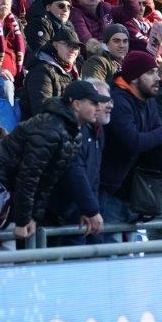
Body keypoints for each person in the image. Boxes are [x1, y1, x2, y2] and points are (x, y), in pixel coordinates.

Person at [0, 79, 106, 241]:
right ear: (77, 105)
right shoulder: (49, 129)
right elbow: (28, 177)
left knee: (1, 255)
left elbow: (46, 182)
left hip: (4, 190)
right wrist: (23, 220)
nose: (99, 107)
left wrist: (33, 217)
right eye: (94, 103)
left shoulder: (72, 133)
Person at [100, 51, 162, 233]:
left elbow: (158, 149)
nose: (157, 78)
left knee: (128, 255)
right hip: (111, 191)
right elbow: (133, 142)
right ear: (135, 78)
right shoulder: (118, 102)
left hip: (135, 191)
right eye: (151, 72)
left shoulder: (149, 100)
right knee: (110, 254)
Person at [44, 78, 112, 244]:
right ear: (77, 104)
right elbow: (73, 171)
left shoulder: (97, 131)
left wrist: (88, 209)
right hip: (56, 216)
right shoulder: (64, 129)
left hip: (77, 214)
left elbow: (93, 176)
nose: (109, 105)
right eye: (96, 102)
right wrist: (90, 210)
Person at [21, 29, 81, 119]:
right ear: (55, 45)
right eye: (68, 45)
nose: (73, 50)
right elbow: (41, 109)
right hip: (42, 129)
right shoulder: (41, 71)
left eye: (76, 47)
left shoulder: (73, 71)